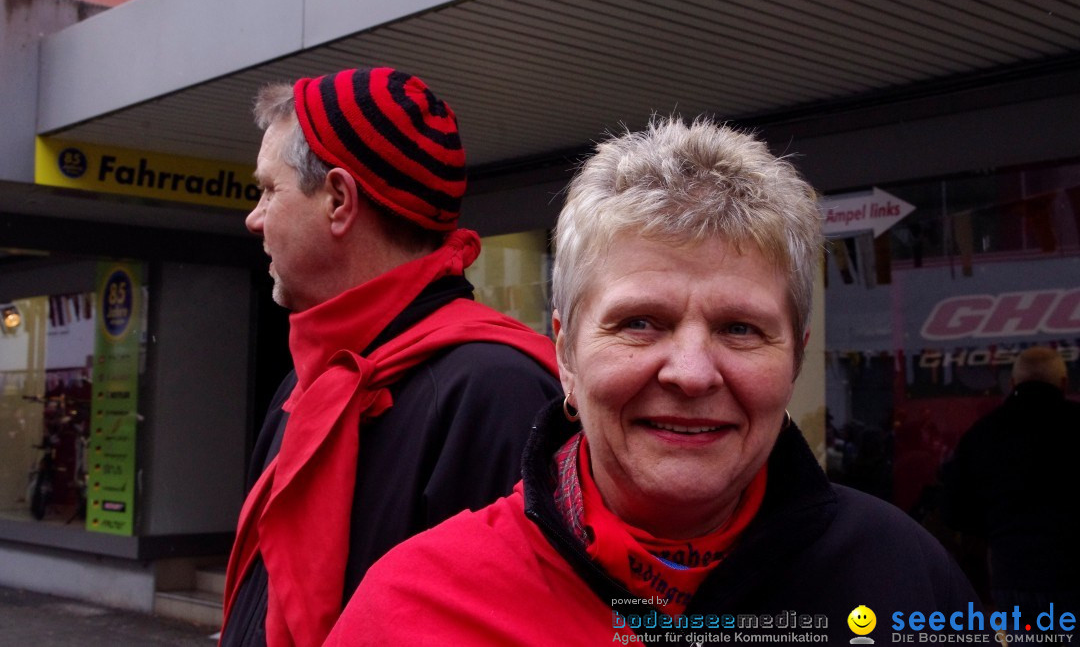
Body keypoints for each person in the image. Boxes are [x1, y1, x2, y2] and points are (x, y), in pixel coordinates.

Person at [326, 117, 982, 645]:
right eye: (640, 322)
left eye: (741, 329)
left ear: (796, 358)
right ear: (567, 355)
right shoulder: (416, 607)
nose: (692, 373)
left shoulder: (904, 577)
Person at [219, 67, 561, 647]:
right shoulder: (309, 382)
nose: (254, 218)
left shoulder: (497, 391)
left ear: (338, 200)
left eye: (268, 190)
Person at [942, 346, 1079, 618]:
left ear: (1013, 383)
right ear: (1064, 383)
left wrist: (997, 529)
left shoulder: (982, 434)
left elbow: (955, 510)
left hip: (1014, 573)